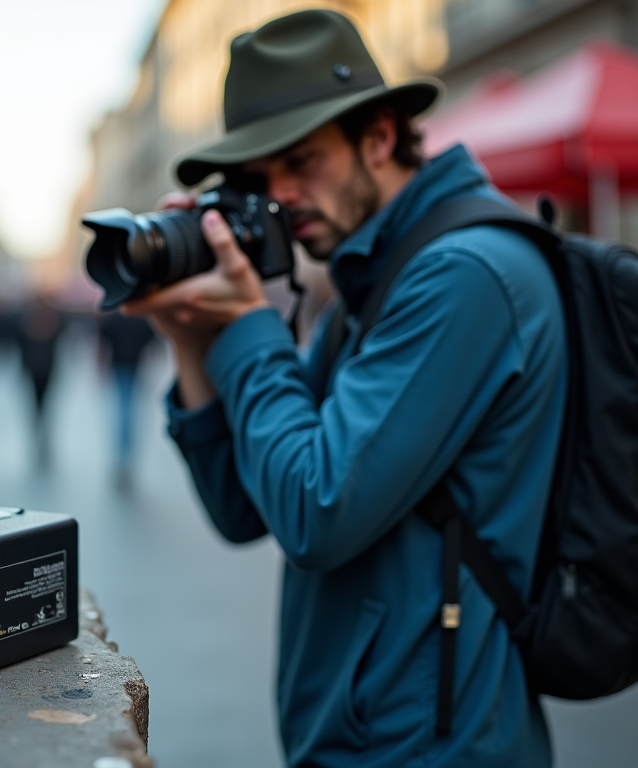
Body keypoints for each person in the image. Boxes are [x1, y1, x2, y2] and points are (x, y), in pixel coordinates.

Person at [124, 11, 565, 767]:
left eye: (303, 162)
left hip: (436, 743)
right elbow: (242, 505)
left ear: (380, 136)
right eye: (261, 179)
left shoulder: (463, 275)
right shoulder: (373, 278)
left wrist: (252, 325)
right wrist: (192, 335)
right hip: (363, 730)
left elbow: (314, 510)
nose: (284, 196)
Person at [98, 313, 155, 491]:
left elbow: (102, 344)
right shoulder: (141, 320)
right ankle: (126, 456)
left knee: (123, 412)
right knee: (129, 412)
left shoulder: (114, 318)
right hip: (133, 369)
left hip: (121, 369)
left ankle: (123, 456)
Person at [15, 295, 64, 472]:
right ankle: (42, 432)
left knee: (36, 404)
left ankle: (38, 431)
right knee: (44, 404)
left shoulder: (25, 320)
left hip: (33, 367)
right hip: (47, 367)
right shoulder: (55, 320)